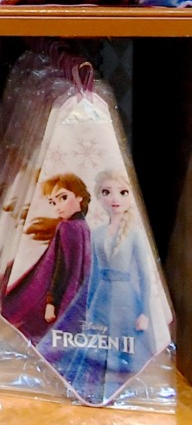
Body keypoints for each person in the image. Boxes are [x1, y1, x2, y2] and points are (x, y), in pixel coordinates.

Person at [65, 171, 160, 404]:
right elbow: (94, 274)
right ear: (99, 197)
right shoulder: (96, 233)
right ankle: (92, 390)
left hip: (126, 300)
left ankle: (122, 391)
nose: (115, 198)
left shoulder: (135, 234)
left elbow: (145, 276)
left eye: (123, 192)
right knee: (97, 344)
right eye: (107, 192)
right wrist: (88, 307)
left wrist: (145, 313)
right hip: (101, 298)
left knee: (125, 344)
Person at [2, 173, 92, 344]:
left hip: (61, 297)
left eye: (63, 198)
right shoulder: (84, 228)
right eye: (53, 202)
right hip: (77, 300)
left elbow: (61, 268)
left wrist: (51, 302)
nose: (58, 207)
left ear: (79, 196)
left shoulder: (67, 228)